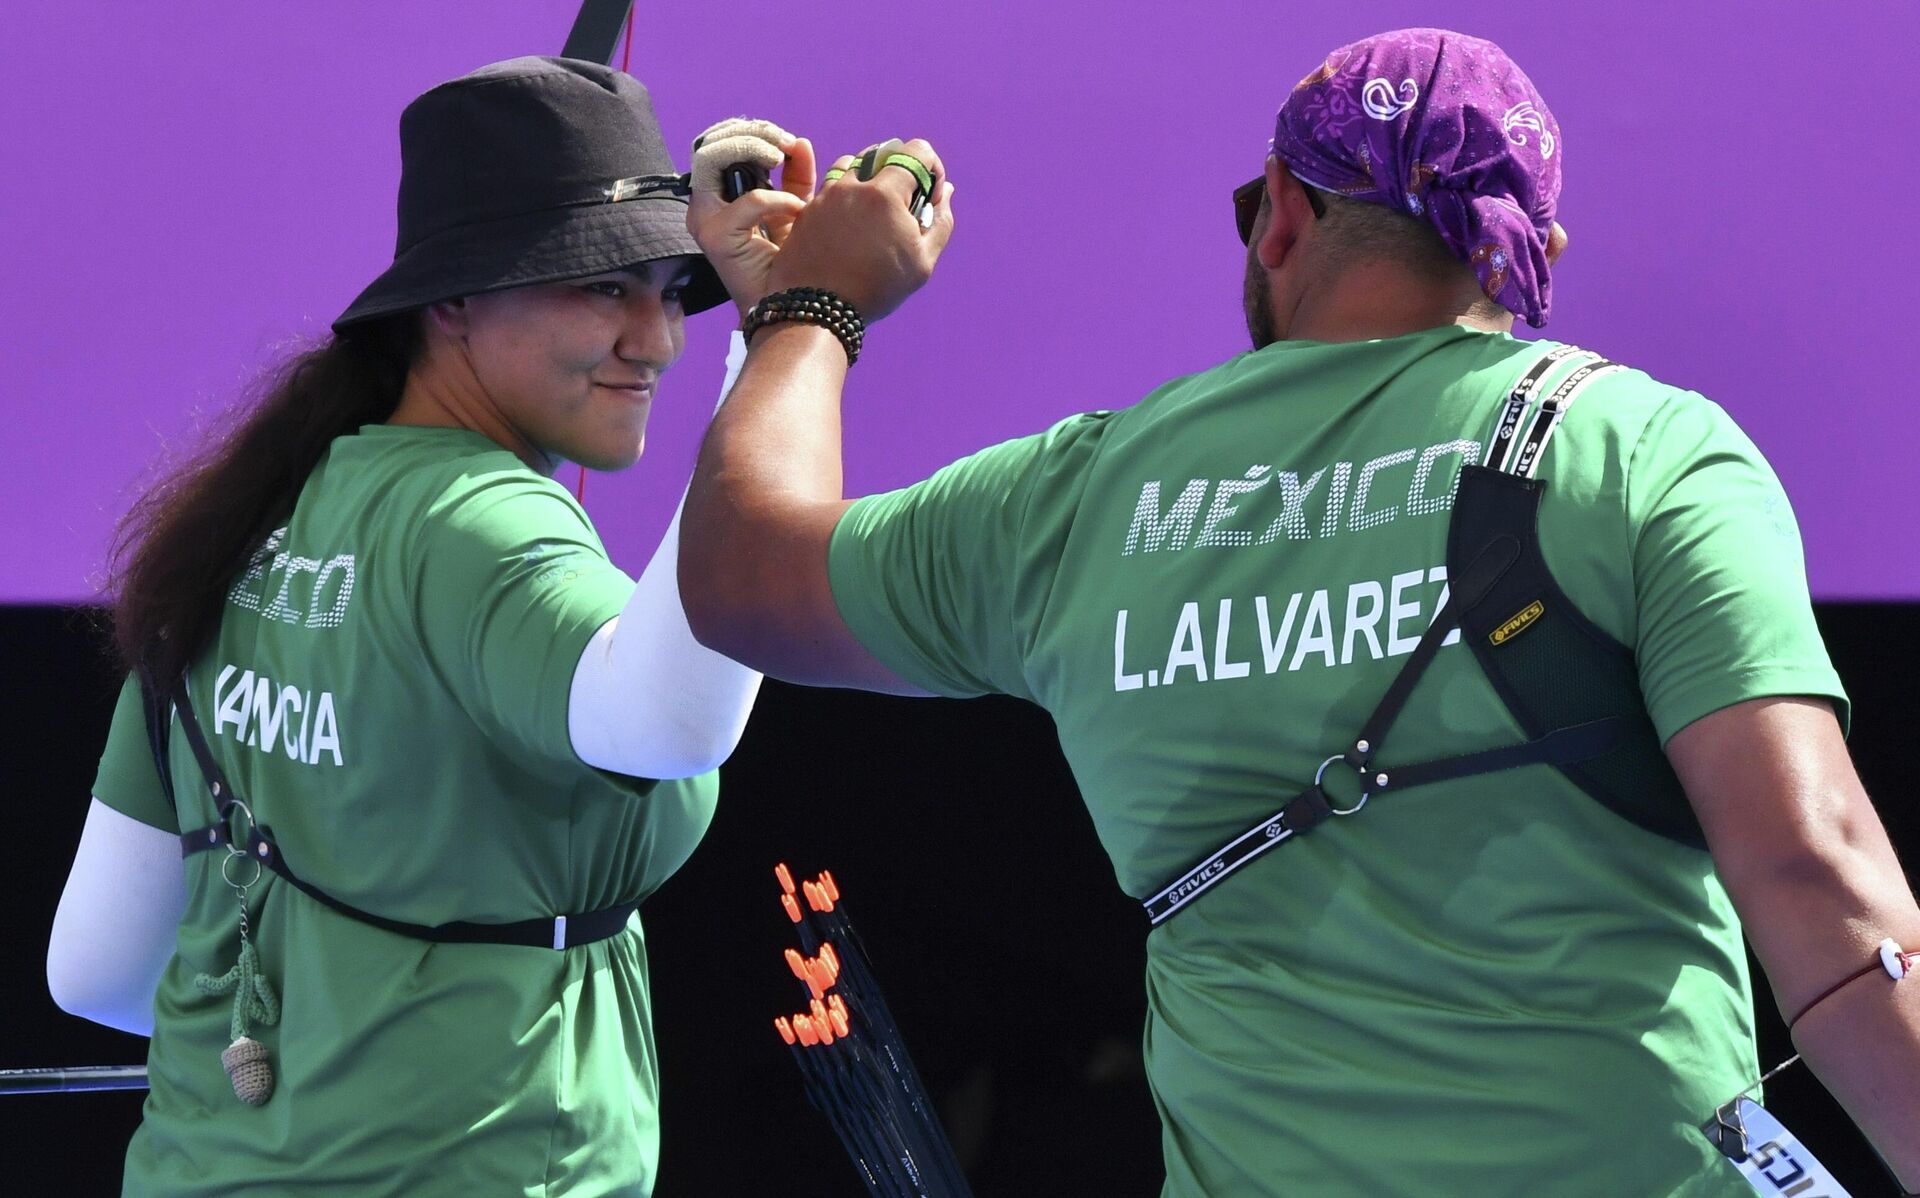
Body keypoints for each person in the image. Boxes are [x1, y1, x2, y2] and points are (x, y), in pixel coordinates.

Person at [679, 29, 1920, 1196]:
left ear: (1281, 212)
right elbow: (1818, 876)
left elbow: (739, 575)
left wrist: (813, 301)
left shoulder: (1082, 500)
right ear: (1521, 250)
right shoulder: (1645, 451)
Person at [45, 57, 772, 1195]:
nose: (659, 339)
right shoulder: (473, 521)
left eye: (673, 290)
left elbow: (95, 970)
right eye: (601, 286)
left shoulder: (246, 520)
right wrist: (788, 337)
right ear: (453, 303)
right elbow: (675, 720)